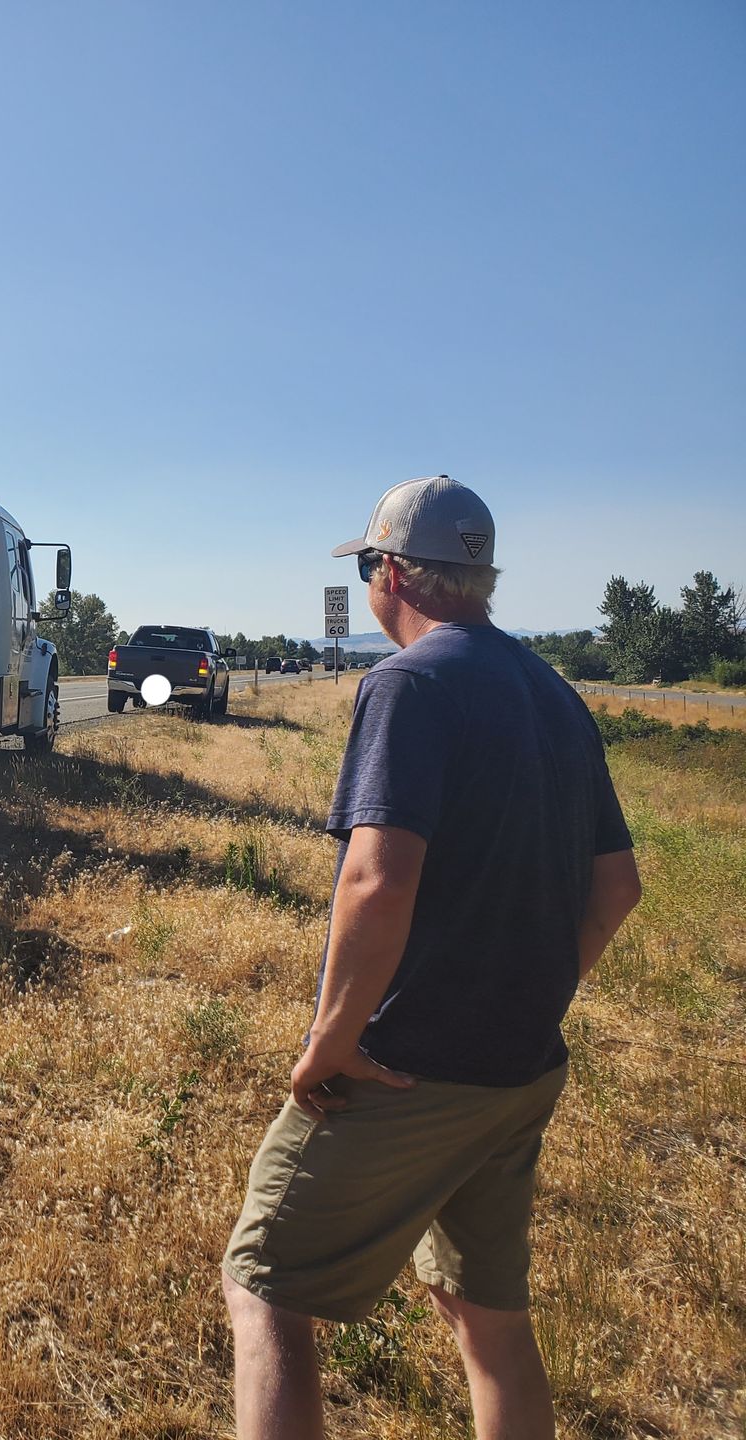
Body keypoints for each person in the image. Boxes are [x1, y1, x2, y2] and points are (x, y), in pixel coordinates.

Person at [220, 476, 643, 1440]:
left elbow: (378, 882)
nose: (369, 581)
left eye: (369, 564)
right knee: (485, 1315)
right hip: (522, 1068)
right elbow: (616, 887)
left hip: (409, 1066)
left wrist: (330, 1044)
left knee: (265, 1288)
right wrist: (527, 998)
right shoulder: (556, 697)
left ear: (396, 574)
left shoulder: (409, 684)